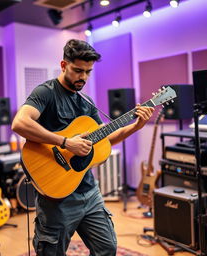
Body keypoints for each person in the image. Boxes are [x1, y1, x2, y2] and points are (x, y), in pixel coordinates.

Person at [12, 39, 154, 256]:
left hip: (88, 191)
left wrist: (136, 126)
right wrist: (66, 142)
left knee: (107, 248)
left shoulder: (86, 101)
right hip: (57, 196)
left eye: (88, 72)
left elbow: (104, 138)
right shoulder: (46, 93)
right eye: (78, 71)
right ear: (63, 65)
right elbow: (19, 123)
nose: (84, 77)